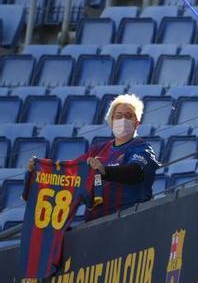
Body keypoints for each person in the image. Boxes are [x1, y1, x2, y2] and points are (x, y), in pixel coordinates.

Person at [27, 94, 160, 221]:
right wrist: (41, 168)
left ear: (137, 123)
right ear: (111, 121)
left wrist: (104, 170)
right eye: (118, 116)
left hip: (128, 220)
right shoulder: (98, 150)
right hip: (95, 225)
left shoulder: (142, 148)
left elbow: (136, 172)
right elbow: (71, 170)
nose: (123, 120)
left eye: (128, 116)